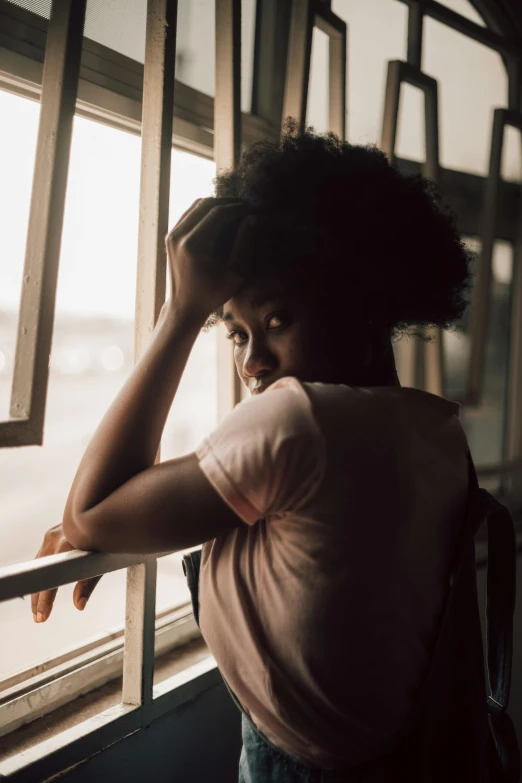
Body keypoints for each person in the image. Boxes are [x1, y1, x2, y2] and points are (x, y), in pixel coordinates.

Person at [32, 123, 518, 781]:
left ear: (359, 304)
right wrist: (128, 518)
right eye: (233, 331)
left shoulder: (299, 420)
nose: (253, 359)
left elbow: (89, 510)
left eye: (277, 320)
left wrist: (182, 309)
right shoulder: (431, 428)